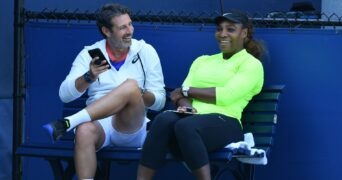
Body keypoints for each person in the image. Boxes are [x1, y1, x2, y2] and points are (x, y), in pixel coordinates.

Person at [137, 10, 265, 180]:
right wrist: (187, 105)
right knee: (163, 120)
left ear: (244, 33)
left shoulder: (251, 64)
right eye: (219, 29)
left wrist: (186, 91)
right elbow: (179, 95)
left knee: (186, 127)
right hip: (191, 123)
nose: (223, 34)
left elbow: (226, 95)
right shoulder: (202, 60)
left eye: (230, 29)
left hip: (226, 123)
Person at [42, 3, 165, 179]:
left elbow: (159, 101)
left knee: (130, 86)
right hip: (101, 125)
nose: (129, 30)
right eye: (122, 27)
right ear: (106, 31)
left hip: (132, 126)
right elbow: (64, 95)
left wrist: (137, 94)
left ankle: (68, 122)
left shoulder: (145, 51)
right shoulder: (90, 53)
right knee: (84, 131)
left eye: (130, 24)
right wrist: (88, 77)